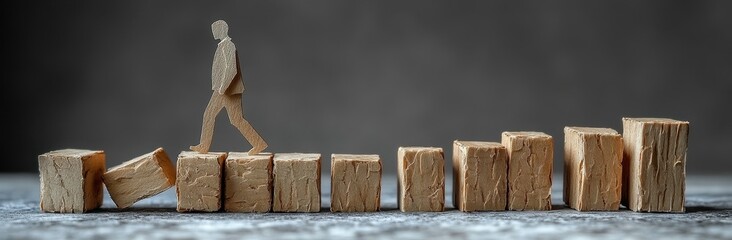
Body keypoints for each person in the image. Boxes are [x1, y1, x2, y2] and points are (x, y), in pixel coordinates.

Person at [190, 20, 267, 155]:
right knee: (210, 115)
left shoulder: (228, 46)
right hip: (222, 90)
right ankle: (204, 146)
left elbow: (231, 69)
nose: (213, 32)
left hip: (228, 90)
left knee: (234, 119)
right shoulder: (223, 46)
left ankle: (259, 143)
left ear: (222, 30)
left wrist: (222, 87)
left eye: (215, 29)